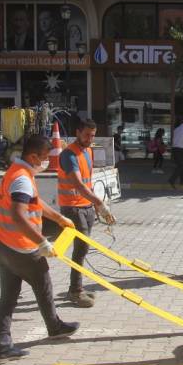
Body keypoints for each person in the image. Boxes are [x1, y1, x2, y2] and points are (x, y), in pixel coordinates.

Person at [0, 135, 80, 364]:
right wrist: (42, 242)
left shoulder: (16, 172)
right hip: (21, 249)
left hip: (2, 247)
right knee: (44, 286)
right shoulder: (22, 179)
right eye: (43, 158)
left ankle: (4, 346)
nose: (46, 162)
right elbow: (19, 215)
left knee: (8, 298)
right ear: (32, 156)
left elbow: (35, 203)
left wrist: (58, 218)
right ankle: (55, 327)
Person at [58, 119, 116, 308]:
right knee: (80, 248)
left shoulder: (88, 151)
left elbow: (88, 182)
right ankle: (75, 291)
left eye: (92, 135)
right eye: (86, 135)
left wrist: (96, 205)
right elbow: (78, 184)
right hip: (72, 207)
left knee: (82, 250)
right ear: (77, 132)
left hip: (86, 207)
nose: (90, 139)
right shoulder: (68, 155)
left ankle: (76, 288)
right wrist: (100, 204)